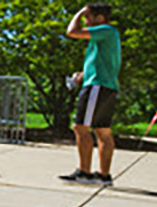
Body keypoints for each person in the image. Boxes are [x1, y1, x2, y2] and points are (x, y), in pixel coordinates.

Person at [59, 3, 121, 186]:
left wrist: (79, 12)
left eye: (88, 16)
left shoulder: (106, 30)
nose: (86, 20)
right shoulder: (105, 36)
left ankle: (84, 173)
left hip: (97, 87)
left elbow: (72, 31)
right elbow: (102, 64)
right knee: (102, 131)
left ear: (99, 18)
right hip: (106, 86)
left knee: (80, 128)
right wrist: (82, 75)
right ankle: (104, 176)